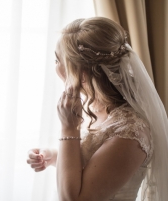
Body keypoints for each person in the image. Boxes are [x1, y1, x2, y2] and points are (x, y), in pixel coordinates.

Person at [27, 17, 168, 201]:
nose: (55, 67)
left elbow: (74, 199)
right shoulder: (92, 108)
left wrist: (68, 128)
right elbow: (89, 163)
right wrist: (51, 156)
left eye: (57, 60)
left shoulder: (130, 133)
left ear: (81, 74)